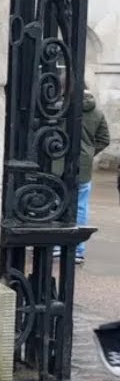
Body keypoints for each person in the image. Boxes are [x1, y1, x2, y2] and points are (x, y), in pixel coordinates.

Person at [74, 87, 109, 264]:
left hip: (59, 161)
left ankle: (57, 244)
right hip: (84, 165)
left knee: (58, 203)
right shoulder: (97, 112)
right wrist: (89, 152)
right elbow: (104, 139)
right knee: (81, 206)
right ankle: (78, 249)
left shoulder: (61, 106)